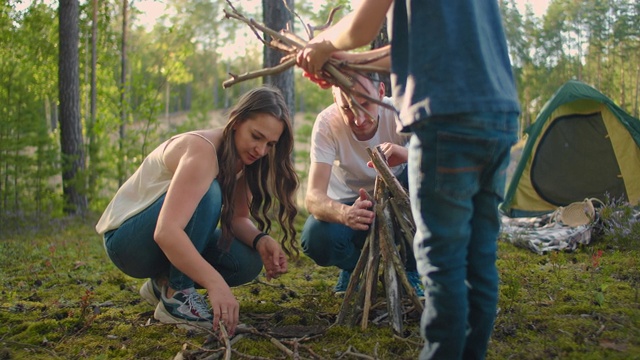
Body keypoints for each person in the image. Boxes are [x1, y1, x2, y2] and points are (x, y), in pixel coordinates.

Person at [296, 1, 520, 359]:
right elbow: (414, 52)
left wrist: (323, 45)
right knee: (478, 258)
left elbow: (360, 30)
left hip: (445, 116)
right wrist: (343, 63)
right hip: (500, 114)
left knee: (442, 263)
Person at [95, 86, 299, 336]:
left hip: (158, 242)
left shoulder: (247, 161)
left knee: (245, 261)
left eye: (270, 144)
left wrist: (261, 240)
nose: (261, 150)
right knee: (209, 193)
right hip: (127, 243)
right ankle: (178, 294)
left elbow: (237, 219)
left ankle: (163, 284)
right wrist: (215, 284)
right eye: (256, 136)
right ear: (236, 120)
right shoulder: (203, 150)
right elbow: (166, 232)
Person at [300, 72, 423, 296]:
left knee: (426, 186)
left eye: (365, 103)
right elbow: (313, 197)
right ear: (335, 99)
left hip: (399, 200)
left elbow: (440, 161)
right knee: (316, 237)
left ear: (381, 92)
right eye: (346, 108)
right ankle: (356, 267)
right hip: (351, 205)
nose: (358, 119)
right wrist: (345, 213)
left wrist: (406, 154)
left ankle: (411, 269)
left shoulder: (400, 111)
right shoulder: (327, 123)